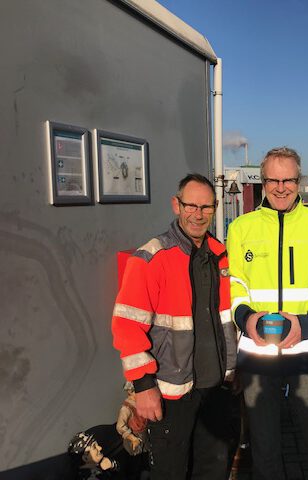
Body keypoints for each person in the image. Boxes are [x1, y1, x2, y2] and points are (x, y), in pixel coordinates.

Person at [226, 146, 308, 479]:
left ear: (299, 181)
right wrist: (246, 318)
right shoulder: (241, 228)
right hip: (257, 355)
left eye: (288, 180)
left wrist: (307, 325)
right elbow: (234, 286)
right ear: (263, 182)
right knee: (264, 452)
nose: (281, 188)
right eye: (273, 181)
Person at [111, 174, 237, 480]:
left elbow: (228, 321)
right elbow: (127, 326)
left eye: (206, 207)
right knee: (171, 473)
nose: (198, 214)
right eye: (191, 205)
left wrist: (235, 370)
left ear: (215, 208)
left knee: (214, 470)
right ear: (176, 205)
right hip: (171, 395)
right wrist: (144, 387)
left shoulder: (221, 257)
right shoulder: (152, 258)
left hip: (216, 389)